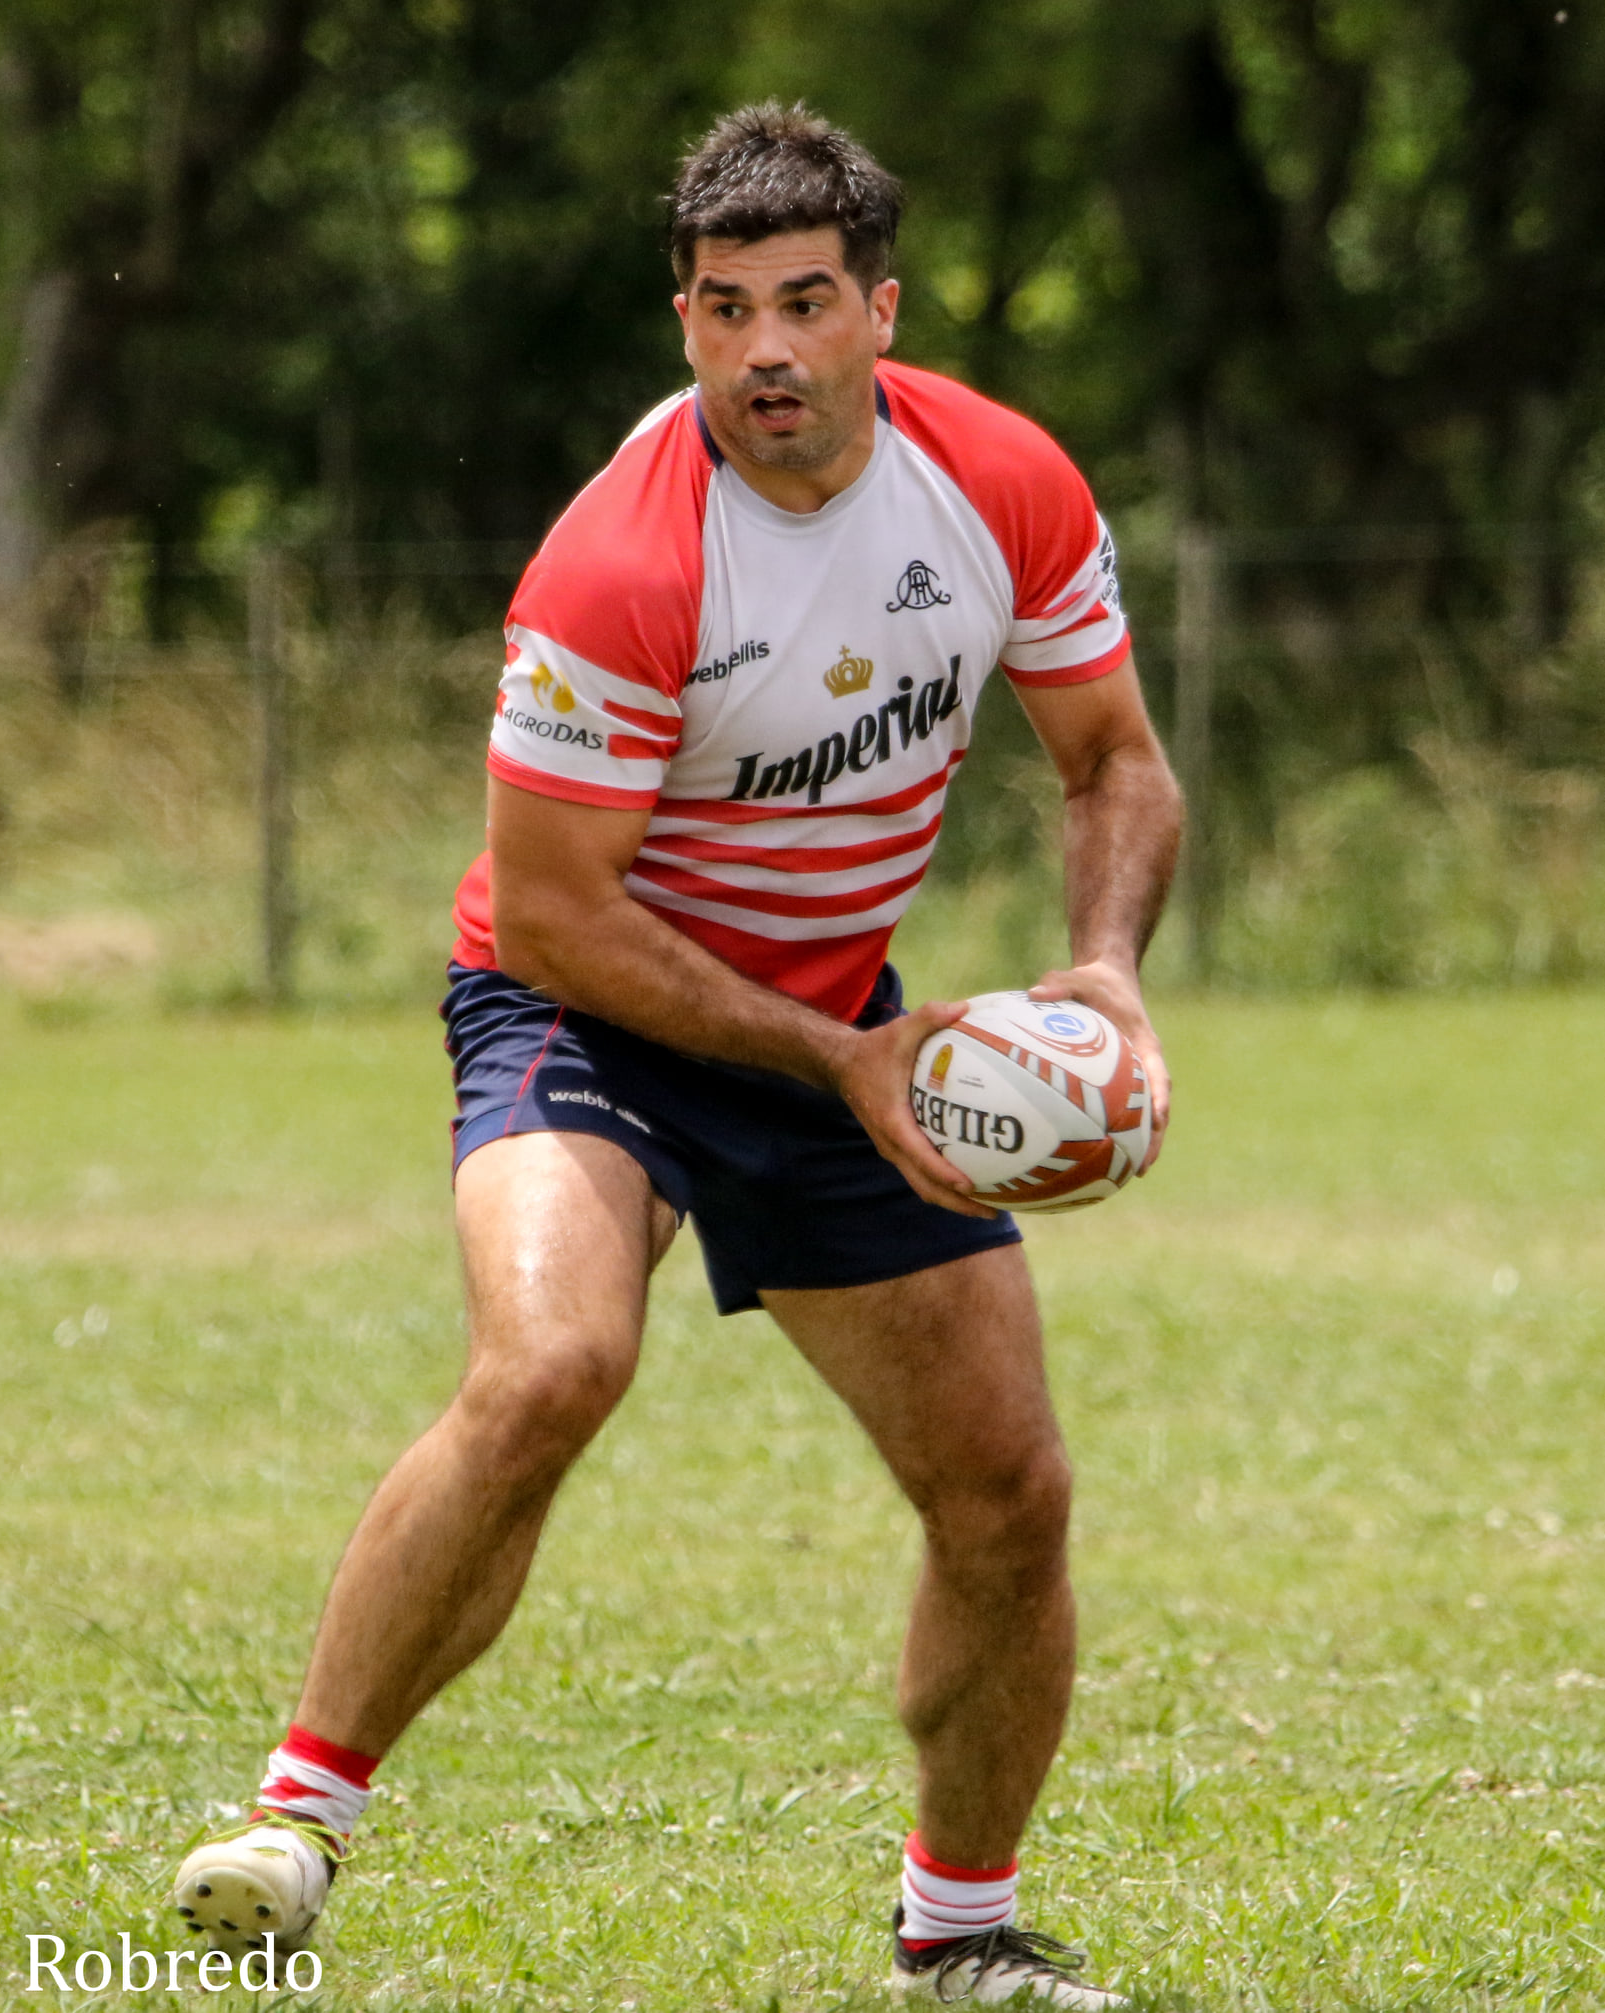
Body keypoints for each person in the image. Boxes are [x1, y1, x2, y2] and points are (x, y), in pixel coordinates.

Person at [171, 101, 1181, 2007]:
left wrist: (1102, 970)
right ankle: (294, 1819)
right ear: (687, 323)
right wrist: (841, 1057)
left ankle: (959, 1936)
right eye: (724, 312)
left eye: (805, 305)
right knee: (551, 1359)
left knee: (1007, 1487)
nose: (766, 353)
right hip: (586, 1006)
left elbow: (1113, 757)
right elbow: (551, 915)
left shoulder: (1004, 485)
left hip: (831, 1027)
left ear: (882, 310)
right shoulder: (622, 560)